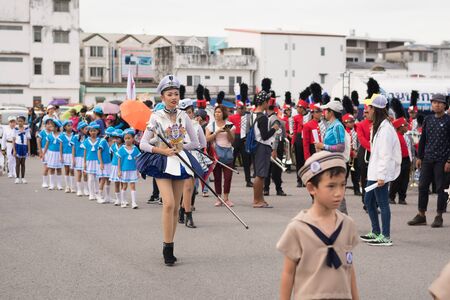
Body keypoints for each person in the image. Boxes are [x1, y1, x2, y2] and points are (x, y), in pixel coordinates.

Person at [277, 151, 359, 300]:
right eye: (331, 186)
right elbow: (288, 273)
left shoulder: (348, 225)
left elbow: (350, 268)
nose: (338, 193)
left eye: (342, 185)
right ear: (311, 188)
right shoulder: (298, 228)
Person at [139, 75, 201, 266]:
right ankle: (166, 247)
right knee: (168, 204)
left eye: (176, 93)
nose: (174, 97)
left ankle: (171, 244)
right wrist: (162, 150)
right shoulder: (156, 117)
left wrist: (182, 147)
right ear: (163, 97)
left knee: (175, 207)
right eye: (169, 94)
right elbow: (142, 144)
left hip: (180, 162)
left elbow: (196, 143)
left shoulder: (184, 116)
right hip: (163, 163)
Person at [359, 95, 401, 246]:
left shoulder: (386, 130)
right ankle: (376, 231)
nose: (366, 111)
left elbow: (385, 155)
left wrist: (382, 176)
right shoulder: (376, 127)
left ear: (375, 109)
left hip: (380, 173)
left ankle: (386, 236)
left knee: (382, 203)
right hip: (374, 170)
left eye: (368, 108)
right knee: (368, 201)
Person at [408, 94, 450, 228]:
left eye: (440, 102)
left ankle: (439, 216)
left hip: (442, 160)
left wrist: (449, 161)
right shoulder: (428, 119)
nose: (437, 104)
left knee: (441, 188)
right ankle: (421, 215)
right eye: (434, 102)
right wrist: (419, 157)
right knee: (422, 186)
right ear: (431, 104)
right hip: (427, 158)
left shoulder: (449, 120)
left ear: (445, 105)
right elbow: (423, 139)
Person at [178, 98, 208, 227]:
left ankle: (187, 214)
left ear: (193, 113)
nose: (187, 115)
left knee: (191, 187)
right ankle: (182, 210)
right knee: (183, 187)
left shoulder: (196, 125)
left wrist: (191, 146)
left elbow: (203, 143)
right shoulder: (175, 126)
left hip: (193, 157)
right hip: (179, 157)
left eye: (189, 112)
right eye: (184, 112)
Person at [315, 100, 348, 214]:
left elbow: (340, 147)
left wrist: (323, 146)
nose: (324, 113)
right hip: (331, 162)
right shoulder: (333, 125)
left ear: (331, 112)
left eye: (326, 111)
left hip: (336, 163)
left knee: (336, 191)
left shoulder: (337, 126)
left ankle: (343, 218)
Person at [250, 90, 278, 208]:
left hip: (256, 145)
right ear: (264, 102)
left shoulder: (252, 114)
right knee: (260, 175)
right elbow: (265, 135)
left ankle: (260, 199)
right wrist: (274, 128)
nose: (269, 103)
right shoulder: (263, 117)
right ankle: (257, 200)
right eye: (268, 101)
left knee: (259, 174)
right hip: (262, 146)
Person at [206, 105, 236, 207]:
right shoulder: (211, 125)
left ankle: (226, 198)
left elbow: (232, 140)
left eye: (219, 112)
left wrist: (228, 131)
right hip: (215, 155)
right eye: (216, 112)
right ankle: (219, 198)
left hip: (228, 154)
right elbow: (207, 139)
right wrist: (216, 132)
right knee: (217, 177)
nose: (217, 114)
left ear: (224, 113)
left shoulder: (230, 125)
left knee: (228, 177)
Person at [264, 100, 287, 196]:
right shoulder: (268, 118)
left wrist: (274, 149)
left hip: (274, 146)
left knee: (276, 169)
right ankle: (267, 188)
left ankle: (277, 188)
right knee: (267, 169)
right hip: (270, 145)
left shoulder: (274, 119)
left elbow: (276, 136)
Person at [229, 100, 253, 187]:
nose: (241, 110)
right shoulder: (232, 117)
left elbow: (251, 129)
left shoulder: (248, 117)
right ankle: (228, 180)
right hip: (235, 139)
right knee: (231, 161)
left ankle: (248, 180)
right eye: (240, 108)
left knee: (246, 161)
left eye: (243, 108)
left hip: (244, 140)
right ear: (237, 108)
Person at [389, 117, 412, 205]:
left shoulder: (405, 136)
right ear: (400, 127)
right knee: (396, 179)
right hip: (398, 160)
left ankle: (402, 198)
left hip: (406, 159)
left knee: (405, 180)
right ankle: (391, 196)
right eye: (405, 125)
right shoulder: (396, 137)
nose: (407, 127)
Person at [117, 128, 141, 209]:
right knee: (124, 186)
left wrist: (138, 171)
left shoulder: (135, 149)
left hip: (133, 170)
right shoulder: (121, 149)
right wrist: (119, 171)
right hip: (124, 170)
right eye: (125, 138)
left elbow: (137, 160)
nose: (127, 140)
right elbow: (119, 161)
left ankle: (134, 202)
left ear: (133, 138)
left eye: (129, 138)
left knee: (133, 186)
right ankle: (123, 201)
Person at [356, 105, 372, 211]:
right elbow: (361, 138)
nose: (366, 114)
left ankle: (374, 202)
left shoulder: (377, 124)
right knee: (364, 178)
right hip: (365, 151)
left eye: (368, 112)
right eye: (365, 112)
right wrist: (372, 148)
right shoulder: (360, 124)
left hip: (376, 151)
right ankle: (366, 202)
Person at [343, 113, 361, 196]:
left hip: (356, 154)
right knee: (345, 174)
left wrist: (356, 152)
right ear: (345, 123)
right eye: (350, 122)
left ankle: (357, 189)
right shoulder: (343, 132)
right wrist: (351, 152)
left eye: (353, 121)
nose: (352, 123)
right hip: (347, 155)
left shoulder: (356, 129)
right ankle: (342, 189)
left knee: (356, 174)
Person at [42, 119, 64, 190]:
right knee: (51, 169)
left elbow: (61, 147)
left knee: (59, 169)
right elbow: (46, 145)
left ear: (56, 127)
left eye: (52, 126)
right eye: (50, 126)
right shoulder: (49, 135)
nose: (51, 128)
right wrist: (43, 154)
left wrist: (61, 156)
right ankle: (52, 184)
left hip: (58, 154)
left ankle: (59, 185)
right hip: (51, 154)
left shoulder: (61, 135)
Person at [81, 122, 101, 201]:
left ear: (97, 131)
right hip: (89, 161)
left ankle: (97, 193)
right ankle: (91, 194)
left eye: (95, 130)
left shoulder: (100, 141)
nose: (93, 132)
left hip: (97, 161)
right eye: (91, 131)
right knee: (91, 178)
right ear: (89, 132)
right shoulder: (86, 141)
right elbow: (85, 152)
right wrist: (84, 162)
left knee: (97, 178)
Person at [293, 100, 309, 187]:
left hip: (307, 138)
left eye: (298, 107)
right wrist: (293, 142)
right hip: (299, 138)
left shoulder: (309, 116)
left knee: (306, 160)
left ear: (303, 108)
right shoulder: (295, 117)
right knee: (299, 161)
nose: (297, 109)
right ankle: (299, 180)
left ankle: (306, 179)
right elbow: (295, 131)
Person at [97, 127, 114, 204]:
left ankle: (108, 196)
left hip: (109, 163)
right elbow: (99, 152)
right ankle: (99, 196)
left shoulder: (110, 142)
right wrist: (101, 163)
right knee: (103, 179)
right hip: (103, 163)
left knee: (108, 180)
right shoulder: (103, 141)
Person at [71, 121, 89, 197]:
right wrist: (73, 158)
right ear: (81, 129)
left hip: (86, 158)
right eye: (85, 129)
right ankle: (79, 189)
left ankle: (86, 189)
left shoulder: (88, 138)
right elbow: (73, 148)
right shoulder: (75, 137)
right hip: (78, 157)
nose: (87, 130)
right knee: (79, 173)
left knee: (85, 173)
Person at [12, 116, 31, 184]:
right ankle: (17, 178)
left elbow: (28, 140)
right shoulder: (15, 129)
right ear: (17, 121)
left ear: (24, 122)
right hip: (18, 146)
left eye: (21, 121)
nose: (20, 122)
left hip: (24, 147)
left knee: (23, 163)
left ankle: (23, 177)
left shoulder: (26, 129)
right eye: (19, 121)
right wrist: (14, 150)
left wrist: (28, 150)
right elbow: (13, 140)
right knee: (17, 163)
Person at [59, 120, 75, 193]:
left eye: (71, 125)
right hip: (65, 154)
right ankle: (67, 186)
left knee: (72, 170)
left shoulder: (74, 135)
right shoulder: (62, 135)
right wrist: (61, 156)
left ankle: (72, 186)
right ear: (65, 127)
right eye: (68, 126)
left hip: (72, 154)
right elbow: (61, 147)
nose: (70, 127)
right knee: (67, 170)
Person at [109, 129, 123, 205]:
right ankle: (118, 199)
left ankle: (123, 198)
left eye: (117, 138)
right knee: (116, 183)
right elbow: (110, 155)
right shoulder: (113, 146)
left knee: (123, 183)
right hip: (114, 166)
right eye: (114, 138)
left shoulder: (124, 146)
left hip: (123, 166)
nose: (115, 140)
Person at [37, 116, 52, 187]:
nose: (49, 125)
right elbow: (38, 141)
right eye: (48, 124)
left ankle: (51, 182)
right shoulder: (42, 132)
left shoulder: (53, 133)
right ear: (45, 125)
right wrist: (40, 152)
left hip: (52, 151)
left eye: (51, 124)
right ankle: (44, 182)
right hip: (44, 151)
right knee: (46, 167)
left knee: (52, 167)